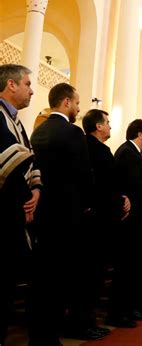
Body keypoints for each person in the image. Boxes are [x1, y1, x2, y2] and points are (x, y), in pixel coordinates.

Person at [30, 83, 103, 344]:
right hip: (68, 217)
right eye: (77, 102)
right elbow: (85, 175)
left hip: (41, 213)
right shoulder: (72, 133)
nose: (80, 108)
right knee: (61, 280)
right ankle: (49, 337)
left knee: (41, 279)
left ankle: (38, 334)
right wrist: (88, 205)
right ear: (66, 102)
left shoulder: (37, 133)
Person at [0, 64, 42, 346]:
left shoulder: (17, 120)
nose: (31, 90)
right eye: (27, 84)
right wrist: (26, 199)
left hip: (15, 210)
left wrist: (36, 189)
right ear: (11, 85)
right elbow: (9, 161)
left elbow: (30, 159)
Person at [82, 109, 131, 334]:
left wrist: (121, 198)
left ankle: (89, 321)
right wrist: (118, 200)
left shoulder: (99, 149)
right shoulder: (92, 149)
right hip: (97, 221)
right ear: (98, 126)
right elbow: (99, 184)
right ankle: (84, 322)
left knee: (96, 273)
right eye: (107, 123)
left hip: (103, 217)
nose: (110, 126)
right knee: (91, 274)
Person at [108, 119, 142, 327]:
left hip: (138, 219)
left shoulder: (132, 153)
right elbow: (135, 185)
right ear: (139, 134)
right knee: (126, 269)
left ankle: (130, 308)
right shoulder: (128, 153)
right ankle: (119, 312)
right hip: (131, 221)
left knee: (133, 268)